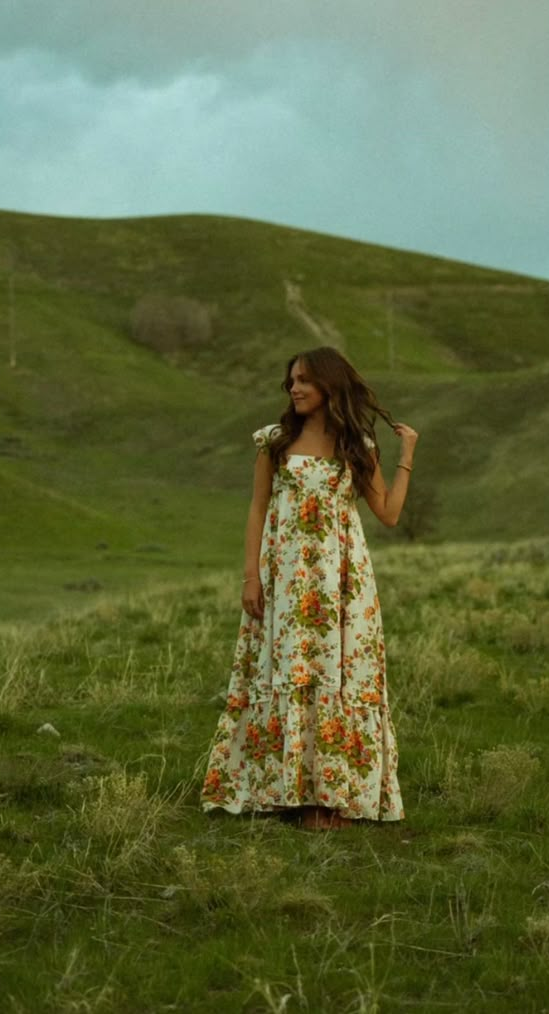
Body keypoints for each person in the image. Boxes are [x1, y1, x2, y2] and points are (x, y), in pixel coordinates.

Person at [199, 345, 418, 830]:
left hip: (342, 585)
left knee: (339, 678)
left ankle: (332, 798)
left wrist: (407, 456)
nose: (294, 389)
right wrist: (251, 577)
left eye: (304, 381)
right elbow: (257, 509)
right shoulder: (275, 442)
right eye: (291, 381)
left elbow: (388, 513)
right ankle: (289, 795)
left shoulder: (356, 444)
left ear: (328, 387)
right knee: (286, 674)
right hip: (285, 584)